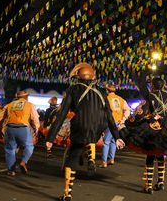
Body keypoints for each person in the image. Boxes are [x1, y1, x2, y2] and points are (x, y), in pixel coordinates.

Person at [45, 63, 125, 201]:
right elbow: (109, 115)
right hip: (98, 127)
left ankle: (67, 194)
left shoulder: (73, 89)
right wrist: (117, 136)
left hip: (80, 126)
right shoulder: (101, 91)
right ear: (92, 77)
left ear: (78, 77)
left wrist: (50, 138)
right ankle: (91, 159)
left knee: (72, 157)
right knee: (90, 138)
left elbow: (62, 114)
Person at [0, 90, 40, 176]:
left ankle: (11, 170)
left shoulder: (9, 105)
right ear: (26, 97)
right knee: (29, 146)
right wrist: (36, 131)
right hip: (23, 128)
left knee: (10, 150)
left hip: (10, 128)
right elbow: (35, 119)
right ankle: (23, 162)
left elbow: (1, 119)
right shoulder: (30, 105)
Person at [100, 83, 130, 168]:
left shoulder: (106, 99)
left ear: (107, 90)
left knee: (106, 142)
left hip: (109, 123)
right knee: (113, 140)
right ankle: (111, 159)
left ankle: (104, 161)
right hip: (118, 123)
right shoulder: (121, 99)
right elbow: (127, 110)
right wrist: (123, 120)